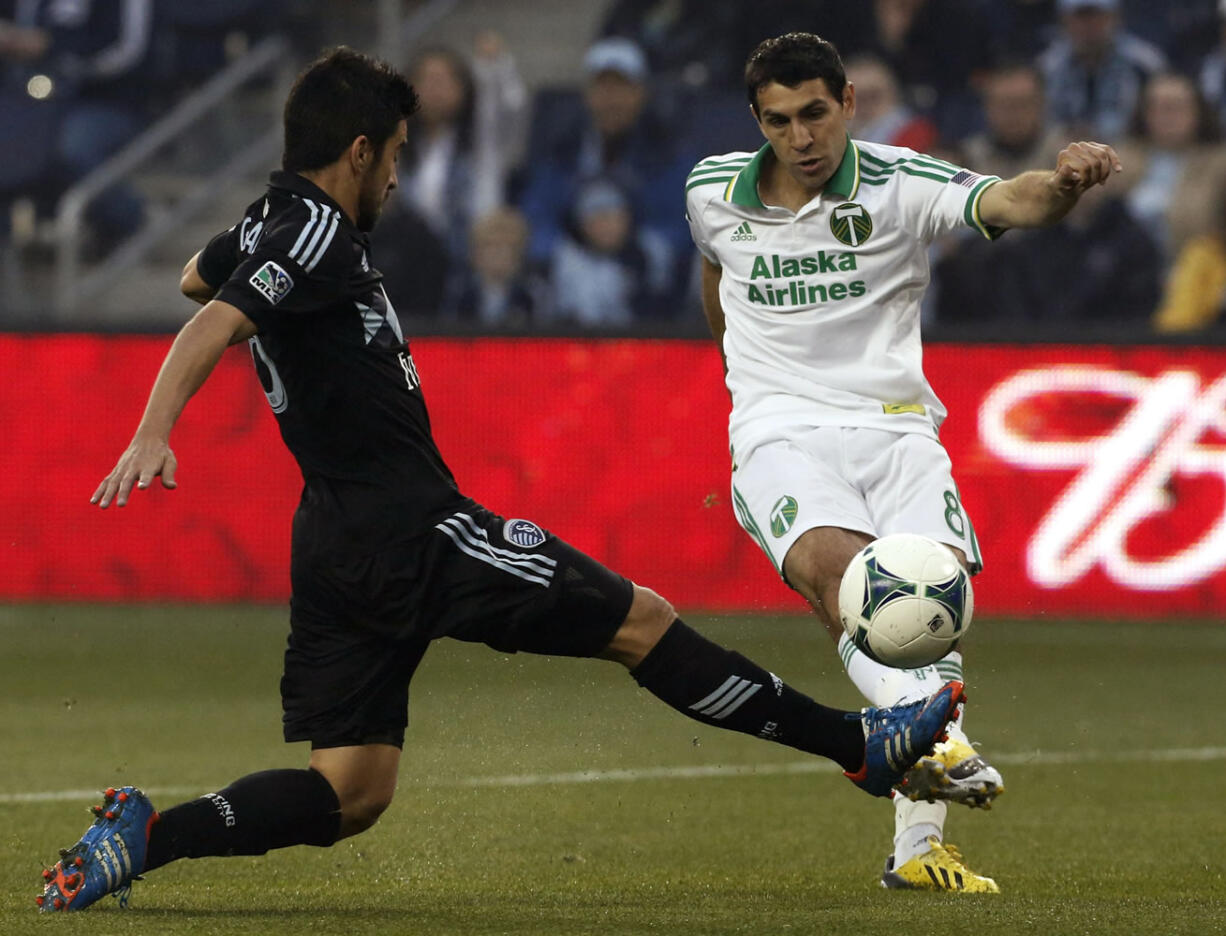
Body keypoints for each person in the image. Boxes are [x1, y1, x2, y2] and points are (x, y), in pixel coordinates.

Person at [36, 46, 965, 914]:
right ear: (358, 152)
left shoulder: (275, 220)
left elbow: (202, 277)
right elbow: (212, 320)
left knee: (351, 790)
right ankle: (858, 745)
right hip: (419, 532)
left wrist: (260, 274)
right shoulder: (314, 233)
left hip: (333, 545)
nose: (398, 178)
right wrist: (155, 429)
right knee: (642, 622)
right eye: (394, 155)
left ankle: (146, 838)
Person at [686, 31, 1123, 893]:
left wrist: (1066, 183)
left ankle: (920, 849)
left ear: (848, 103)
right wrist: (745, 381)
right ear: (757, 122)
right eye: (779, 122)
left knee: (932, 609)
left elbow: (1014, 201)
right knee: (837, 578)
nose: (801, 138)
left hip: (896, 428)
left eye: (815, 114)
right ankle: (940, 741)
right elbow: (715, 270)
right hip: (779, 428)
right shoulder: (711, 189)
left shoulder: (900, 182)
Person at [546, 176, 674, 326]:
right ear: (581, 224)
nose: (608, 226)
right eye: (599, 218)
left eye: (615, 217)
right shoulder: (568, 258)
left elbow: (662, 311)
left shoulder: (650, 251)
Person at [1037, 0, 1167, 142]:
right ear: (1065, 20)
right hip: (1063, 151)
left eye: (1097, 16)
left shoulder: (1144, 65)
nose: (1089, 25)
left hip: (1130, 150)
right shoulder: (1047, 68)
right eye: (1081, 16)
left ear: (1115, 17)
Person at [958, 61, 1069, 182]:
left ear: (1041, 104)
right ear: (987, 107)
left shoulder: (1065, 156)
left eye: (1022, 104)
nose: (1013, 114)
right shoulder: (967, 161)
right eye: (1003, 105)